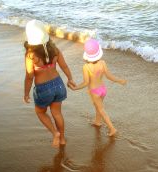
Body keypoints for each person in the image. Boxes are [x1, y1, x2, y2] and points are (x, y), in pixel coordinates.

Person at [23, 20, 76, 148]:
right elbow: (64, 66)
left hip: (43, 89)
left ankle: (55, 133)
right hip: (58, 85)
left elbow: (29, 76)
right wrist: (70, 79)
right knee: (57, 113)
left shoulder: (31, 55)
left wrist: (26, 93)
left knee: (40, 112)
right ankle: (62, 138)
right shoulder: (55, 50)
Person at [69, 39, 126, 136]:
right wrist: (119, 80)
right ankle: (97, 121)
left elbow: (86, 82)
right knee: (98, 106)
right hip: (103, 89)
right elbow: (109, 76)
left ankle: (112, 129)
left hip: (94, 91)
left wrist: (75, 88)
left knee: (101, 109)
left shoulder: (86, 67)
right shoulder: (102, 63)